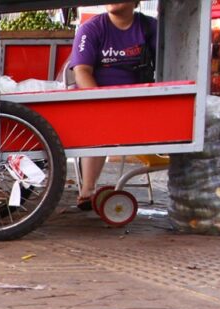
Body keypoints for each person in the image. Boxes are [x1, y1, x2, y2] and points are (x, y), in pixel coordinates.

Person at [68, 2, 158, 209]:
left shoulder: (149, 27)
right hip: (97, 100)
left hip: (137, 102)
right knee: (98, 124)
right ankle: (87, 191)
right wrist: (101, 101)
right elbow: (81, 71)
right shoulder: (91, 28)